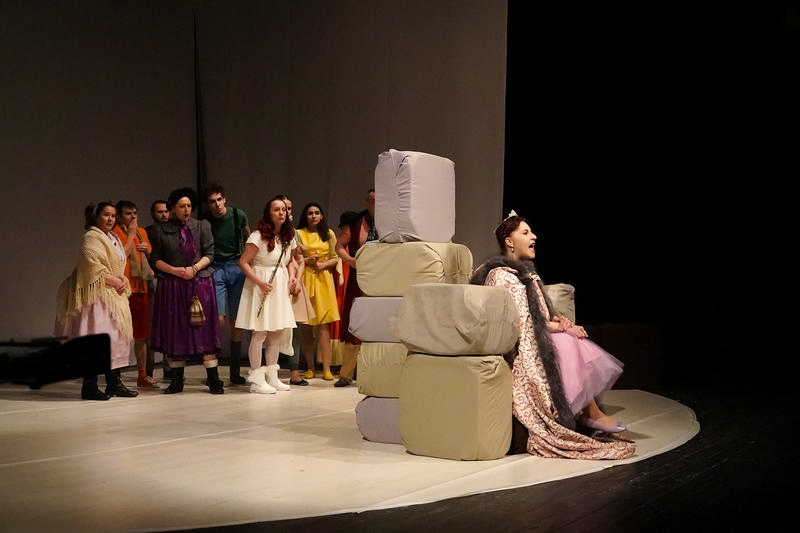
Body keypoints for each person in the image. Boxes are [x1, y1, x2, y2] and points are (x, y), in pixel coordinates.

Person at [470, 212, 635, 459]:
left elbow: (539, 315)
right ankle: (591, 413)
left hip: (536, 336)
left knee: (572, 338)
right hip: (520, 345)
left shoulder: (525, 275)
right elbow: (518, 320)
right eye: (525, 232)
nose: (534, 236)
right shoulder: (501, 275)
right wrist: (556, 328)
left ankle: (589, 412)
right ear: (509, 241)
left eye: (531, 231)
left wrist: (558, 322)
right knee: (566, 340)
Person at [54, 202, 139, 400]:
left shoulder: (114, 238)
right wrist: (114, 280)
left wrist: (122, 279)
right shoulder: (92, 237)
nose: (110, 219)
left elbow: (118, 263)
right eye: (106, 215)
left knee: (115, 339)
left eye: (113, 215)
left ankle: (114, 383)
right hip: (97, 298)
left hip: (113, 297)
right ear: (96, 217)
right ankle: (90, 386)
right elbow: (91, 267)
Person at [148, 187, 224, 394]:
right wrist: (175, 270)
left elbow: (210, 253)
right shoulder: (159, 231)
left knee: (204, 330)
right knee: (177, 331)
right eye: (182, 206)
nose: (186, 209)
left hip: (200, 284)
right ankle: (176, 381)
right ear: (173, 208)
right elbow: (155, 259)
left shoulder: (202, 226)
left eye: (189, 206)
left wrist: (194, 269)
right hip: (173, 285)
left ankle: (214, 379)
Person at [235, 196, 300, 394]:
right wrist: (259, 282)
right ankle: (256, 379)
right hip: (261, 283)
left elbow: (290, 261)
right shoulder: (258, 236)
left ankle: (272, 376)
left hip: (279, 283)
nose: (281, 213)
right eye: (277, 209)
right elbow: (243, 262)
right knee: (260, 333)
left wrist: (292, 276)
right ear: (268, 213)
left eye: (284, 210)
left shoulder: (289, 235)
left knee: (276, 332)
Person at [204, 184, 250, 385]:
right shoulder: (207, 222)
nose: (217, 204)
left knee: (236, 321)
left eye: (219, 200)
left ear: (225, 199)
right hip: (217, 268)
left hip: (237, 266)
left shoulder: (237, 215)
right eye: (212, 201)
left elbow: (249, 237)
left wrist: (247, 262)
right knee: (218, 319)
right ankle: (212, 372)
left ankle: (234, 371)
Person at [113, 200, 158, 389]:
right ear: (119, 216)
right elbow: (120, 256)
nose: (132, 217)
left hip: (141, 287)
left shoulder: (142, 232)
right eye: (128, 213)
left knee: (141, 334)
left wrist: (146, 250)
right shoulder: (114, 232)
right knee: (119, 333)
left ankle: (142, 374)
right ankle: (116, 374)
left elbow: (149, 255)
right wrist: (131, 234)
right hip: (122, 289)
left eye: (134, 213)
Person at [333, 189, 376, 387]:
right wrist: (351, 261)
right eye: (372, 200)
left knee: (378, 323)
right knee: (356, 322)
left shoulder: (392, 223)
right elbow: (339, 246)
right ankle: (346, 374)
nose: (376, 204)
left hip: (385, 278)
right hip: (360, 278)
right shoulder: (356, 222)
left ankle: (373, 371)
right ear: (366, 202)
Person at [296, 202, 340, 381]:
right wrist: (308, 260)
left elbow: (335, 258)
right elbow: (294, 258)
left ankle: (326, 368)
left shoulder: (328, 233)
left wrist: (322, 264)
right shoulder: (298, 234)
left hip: (323, 280)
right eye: (310, 213)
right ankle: (310, 367)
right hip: (305, 278)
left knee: (323, 326)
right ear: (305, 216)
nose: (314, 216)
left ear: (321, 215)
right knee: (306, 326)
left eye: (316, 213)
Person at [146, 200, 170, 381]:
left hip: (171, 281)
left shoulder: (175, 231)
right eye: (160, 211)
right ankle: (148, 369)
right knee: (150, 325)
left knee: (170, 325)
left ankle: (170, 368)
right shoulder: (146, 232)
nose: (164, 214)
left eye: (166, 211)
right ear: (153, 214)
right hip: (152, 280)